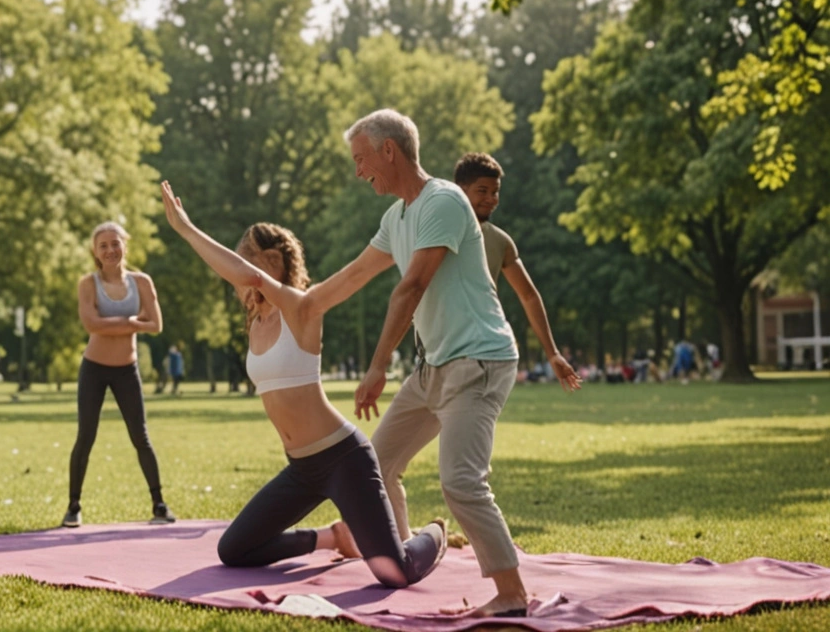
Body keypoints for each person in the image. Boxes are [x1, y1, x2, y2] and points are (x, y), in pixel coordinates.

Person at [161, 180, 447, 588]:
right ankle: (334, 537)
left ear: (274, 262)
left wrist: (187, 228)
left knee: (394, 573)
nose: (239, 274)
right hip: (302, 469)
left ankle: (432, 534)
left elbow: (250, 277)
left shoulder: (302, 309)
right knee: (235, 550)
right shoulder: (257, 322)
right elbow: (242, 277)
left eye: (248, 262)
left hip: (344, 460)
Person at [308, 109, 531, 617]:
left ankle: (513, 593)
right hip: (434, 369)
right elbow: (351, 277)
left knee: (460, 481)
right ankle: (406, 555)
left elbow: (411, 287)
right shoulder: (397, 216)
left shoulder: (444, 201)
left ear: (390, 150)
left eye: (363, 160)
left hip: (477, 361)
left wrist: (377, 364)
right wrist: (298, 303)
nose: (360, 171)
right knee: (376, 466)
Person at [65, 221, 174, 528]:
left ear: (125, 245)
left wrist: (116, 322)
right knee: (86, 436)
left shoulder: (141, 282)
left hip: (128, 369)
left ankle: (159, 505)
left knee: (140, 436)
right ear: (95, 252)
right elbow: (92, 325)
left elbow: (156, 325)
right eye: (103, 246)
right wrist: (132, 321)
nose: (110, 250)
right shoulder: (88, 283)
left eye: (115, 243)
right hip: (94, 370)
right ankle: (73, 506)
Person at [452, 153, 581, 393]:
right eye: (482, 191)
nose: (491, 199)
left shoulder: (500, 241)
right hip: (435, 354)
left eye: (495, 191)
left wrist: (552, 354)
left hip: (479, 355)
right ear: (461, 190)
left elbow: (529, 296)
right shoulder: (438, 231)